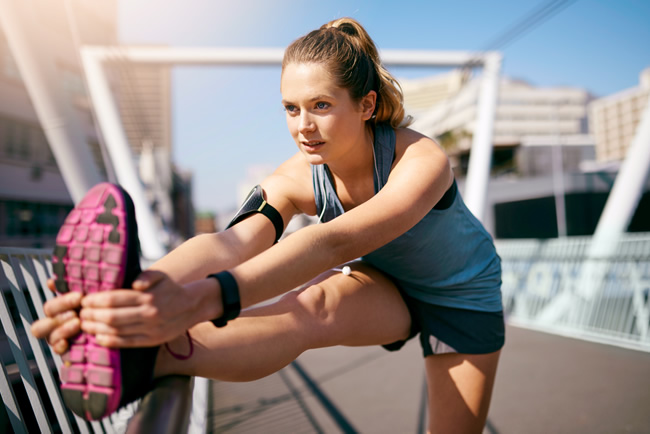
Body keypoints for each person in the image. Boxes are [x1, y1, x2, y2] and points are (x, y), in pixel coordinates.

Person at [32, 17, 505, 433]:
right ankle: (146, 357)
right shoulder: (297, 175)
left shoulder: (420, 158)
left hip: (461, 296)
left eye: (321, 105)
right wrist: (137, 293)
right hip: (387, 283)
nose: (303, 125)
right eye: (291, 108)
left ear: (365, 105)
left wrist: (199, 299)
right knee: (316, 305)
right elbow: (232, 242)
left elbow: (335, 241)